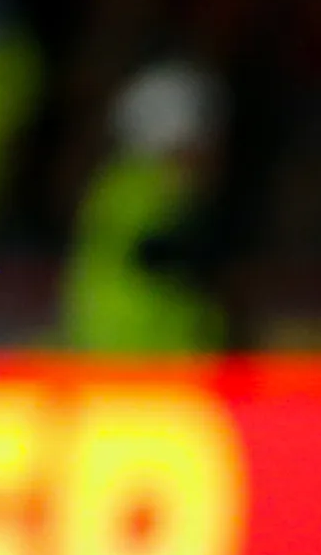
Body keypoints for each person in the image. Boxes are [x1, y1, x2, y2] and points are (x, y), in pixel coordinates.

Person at [61, 62, 232, 357]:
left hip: (140, 365)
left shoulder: (123, 186)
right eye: (208, 139)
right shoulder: (142, 191)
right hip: (137, 368)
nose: (216, 154)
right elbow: (160, 253)